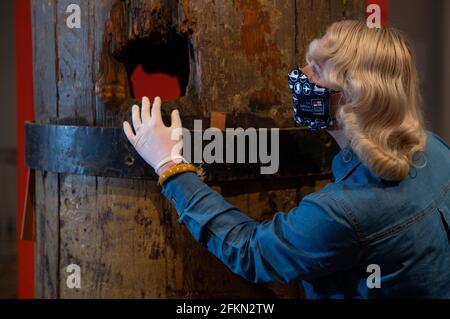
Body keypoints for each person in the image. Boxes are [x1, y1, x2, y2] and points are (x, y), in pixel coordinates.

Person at [122, 20, 450, 298]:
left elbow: (251, 251)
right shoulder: (435, 149)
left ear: (351, 97)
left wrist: (170, 164)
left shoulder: (342, 212)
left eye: (317, 70)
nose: (300, 74)